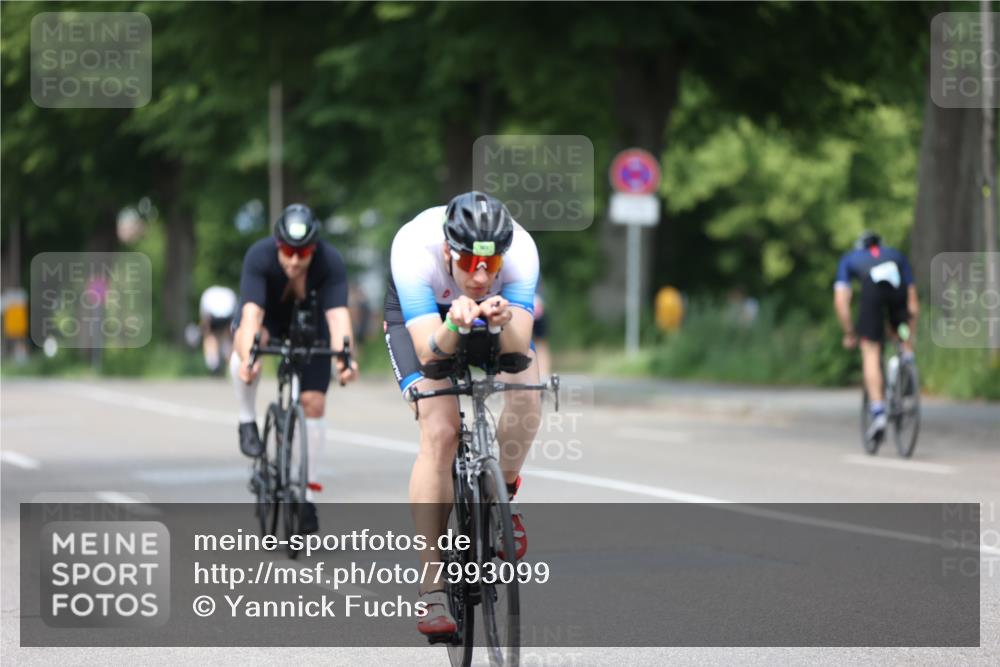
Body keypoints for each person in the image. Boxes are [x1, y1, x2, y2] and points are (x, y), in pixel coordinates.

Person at [384, 191, 540, 637]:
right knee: (441, 430)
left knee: (528, 395)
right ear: (449, 250)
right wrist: (454, 324)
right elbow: (429, 355)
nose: (479, 275)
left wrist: (501, 318)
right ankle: (432, 585)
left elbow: (517, 355)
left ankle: (502, 494)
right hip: (425, 320)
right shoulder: (415, 250)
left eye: (490, 267)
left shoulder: (522, 253)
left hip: (495, 315)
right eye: (470, 261)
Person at [231, 203, 359, 533]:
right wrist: (249, 358)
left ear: (314, 249)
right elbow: (251, 317)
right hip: (268, 318)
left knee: (314, 402)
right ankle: (247, 420)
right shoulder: (259, 256)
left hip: (311, 324)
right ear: (277, 245)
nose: (294, 260)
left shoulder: (329, 262)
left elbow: (338, 318)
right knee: (248, 345)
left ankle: (305, 493)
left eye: (302, 253)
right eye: (287, 251)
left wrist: (346, 360)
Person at [834, 230, 919, 441]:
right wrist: (909, 337)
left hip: (872, 292)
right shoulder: (896, 255)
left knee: (870, 350)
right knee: (900, 331)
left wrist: (849, 332)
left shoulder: (850, 259)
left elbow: (841, 302)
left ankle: (879, 413)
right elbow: (912, 304)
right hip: (897, 290)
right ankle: (906, 359)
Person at [198, 285, 237, 375]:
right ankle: (231, 364)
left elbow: (205, 321)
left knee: (210, 337)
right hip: (228, 313)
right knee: (227, 338)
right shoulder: (229, 293)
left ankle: (213, 362)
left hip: (213, 314)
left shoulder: (207, 294)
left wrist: (205, 332)